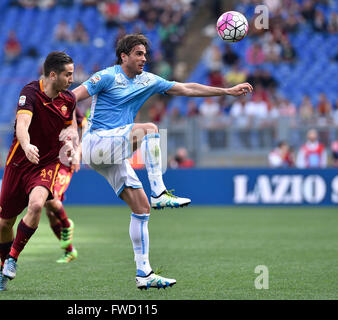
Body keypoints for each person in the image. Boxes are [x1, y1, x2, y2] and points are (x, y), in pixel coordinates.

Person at [72, 34, 253, 290]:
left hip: (113, 152)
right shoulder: (107, 76)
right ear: (123, 56)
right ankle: (158, 191)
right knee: (149, 129)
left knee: (141, 209)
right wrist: (66, 128)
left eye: (145, 54)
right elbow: (71, 98)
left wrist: (226, 90)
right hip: (95, 144)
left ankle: (144, 273)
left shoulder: (148, 80)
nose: (144, 58)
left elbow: (186, 88)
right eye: (138, 53)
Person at [0, 51, 78, 292]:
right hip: (19, 163)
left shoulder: (69, 100)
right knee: (4, 223)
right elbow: (22, 125)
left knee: (38, 204)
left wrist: (70, 143)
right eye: (68, 74)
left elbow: (68, 128)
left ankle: (13, 259)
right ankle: (2, 268)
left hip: (46, 163)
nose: (72, 79)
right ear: (53, 75)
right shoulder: (30, 92)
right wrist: (27, 144)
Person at [44, 108, 86, 264]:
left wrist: (78, 153)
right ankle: (70, 251)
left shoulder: (70, 104)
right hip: (49, 159)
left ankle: (67, 225)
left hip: (64, 161)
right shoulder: (44, 103)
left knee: (49, 198)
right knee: (50, 212)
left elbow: (85, 129)